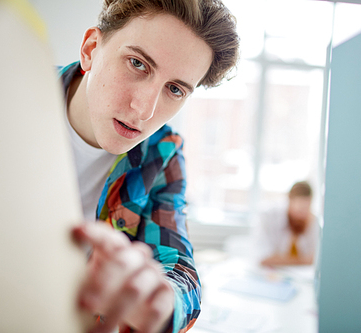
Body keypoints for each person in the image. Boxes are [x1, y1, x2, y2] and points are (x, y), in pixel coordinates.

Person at [61, 1, 239, 333]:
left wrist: (160, 302)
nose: (144, 110)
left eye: (174, 89)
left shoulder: (163, 152)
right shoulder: (8, 97)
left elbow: (180, 270)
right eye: (138, 64)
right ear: (90, 50)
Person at [257, 181, 319, 267]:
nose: (302, 215)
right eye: (300, 209)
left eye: (306, 209)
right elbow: (263, 258)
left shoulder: (312, 221)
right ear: (289, 201)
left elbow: (316, 258)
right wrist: (303, 261)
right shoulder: (269, 217)